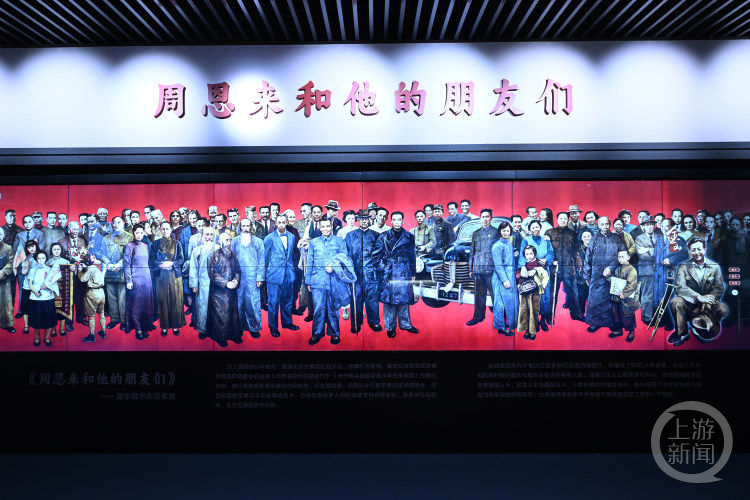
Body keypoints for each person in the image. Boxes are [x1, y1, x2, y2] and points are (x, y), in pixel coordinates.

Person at [669, 238, 728, 346]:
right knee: (675, 302)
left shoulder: (715, 267)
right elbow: (680, 287)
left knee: (722, 309)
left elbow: (718, 287)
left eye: (699, 249)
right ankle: (682, 333)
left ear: (705, 250)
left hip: (708, 302)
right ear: (689, 251)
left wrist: (709, 299)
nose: (697, 252)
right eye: (693, 250)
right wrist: (698, 297)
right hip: (690, 303)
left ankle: (704, 327)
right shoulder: (683, 267)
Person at [372, 212, 419, 338]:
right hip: (389, 272)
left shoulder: (409, 236)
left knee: (404, 300)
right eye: (394, 220)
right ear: (391, 221)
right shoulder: (383, 236)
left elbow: (412, 256)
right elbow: (375, 256)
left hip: (404, 271)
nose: (397, 222)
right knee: (389, 301)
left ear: (403, 221)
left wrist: (413, 272)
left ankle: (406, 325)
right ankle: (390, 327)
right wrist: (385, 267)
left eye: (399, 219)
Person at [306, 218, 352, 345]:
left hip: (334, 281)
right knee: (318, 308)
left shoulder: (340, 241)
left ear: (331, 227)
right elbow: (309, 262)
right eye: (323, 227)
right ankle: (317, 333)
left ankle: (334, 333)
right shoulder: (313, 242)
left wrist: (334, 267)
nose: (326, 229)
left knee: (333, 308)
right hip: (318, 280)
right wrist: (308, 281)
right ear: (320, 228)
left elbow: (345, 259)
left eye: (328, 226)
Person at [583, 217, 626, 334]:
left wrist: (611, 268)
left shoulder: (617, 238)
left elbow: (623, 255)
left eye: (607, 224)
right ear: (599, 225)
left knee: (613, 301)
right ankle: (595, 322)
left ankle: (615, 325)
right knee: (595, 299)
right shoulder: (594, 239)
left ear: (610, 224)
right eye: (602, 224)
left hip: (614, 273)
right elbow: (588, 258)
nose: (605, 227)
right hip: (596, 274)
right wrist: (586, 275)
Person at [345, 209, 382, 333]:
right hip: (356, 274)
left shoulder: (376, 235)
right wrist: (349, 272)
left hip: (372, 274)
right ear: (358, 220)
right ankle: (356, 323)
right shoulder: (350, 236)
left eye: (366, 219)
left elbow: (379, 255)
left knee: (372, 300)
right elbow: (346, 255)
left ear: (369, 220)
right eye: (361, 219)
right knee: (356, 299)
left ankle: (374, 322)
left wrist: (376, 270)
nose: (364, 221)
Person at [264, 214, 298, 337]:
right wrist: (265, 275)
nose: (282, 225)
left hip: (288, 275)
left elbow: (290, 256)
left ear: (287, 222)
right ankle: (273, 328)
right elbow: (265, 259)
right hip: (274, 276)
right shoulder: (269, 238)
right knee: (273, 303)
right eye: (279, 222)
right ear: (276, 223)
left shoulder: (292, 237)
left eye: (284, 222)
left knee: (287, 301)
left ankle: (287, 323)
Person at [150, 221, 186, 336]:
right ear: (160, 230)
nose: (165, 231)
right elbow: (152, 260)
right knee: (163, 301)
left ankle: (175, 326)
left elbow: (181, 259)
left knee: (175, 301)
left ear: (171, 230)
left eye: (167, 229)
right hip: (161, 276)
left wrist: (172, 263)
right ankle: (164, 327)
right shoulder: (155, 244)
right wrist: (161, 264)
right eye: (163, 229)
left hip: (174, 276)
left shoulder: (177, 244)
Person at [206, 232, 242, 347]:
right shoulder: (212, 256)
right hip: (218, 293)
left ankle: (234, 336)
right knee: (221, 316)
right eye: (226, 240)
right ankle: (220, 337)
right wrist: (226, 283)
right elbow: (212, 274)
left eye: (230, 240)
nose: (229, 243)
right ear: (219, 242)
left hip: (232, 290)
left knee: (233, 314)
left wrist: (236, 280)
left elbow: (238, 271)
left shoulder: (234, 255)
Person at [232, 219, 265, 338]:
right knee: (238, 302)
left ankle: (254, 327)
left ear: (251, 227)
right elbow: (231, 259)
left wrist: (260, 277)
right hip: (238, 277)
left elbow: (261, 260)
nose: (245, 228)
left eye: (248, 226)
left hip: (252, 277)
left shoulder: (258, 242)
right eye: (243, 226)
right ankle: (239, 327)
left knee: (253, 302)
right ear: (240, 227)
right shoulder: (234, 241)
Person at [546, 211, 582, 321]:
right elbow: (547, 250)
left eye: (565, 219)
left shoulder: (572, 233)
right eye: (561, 218)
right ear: (557, 220)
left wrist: (576, 264)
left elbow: (576, 250)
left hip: (568, 267)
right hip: (555, 268)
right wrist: (551, 261)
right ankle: (549, 316)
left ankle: (575, 314)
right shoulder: (550, 232)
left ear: (568, 220)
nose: (563, 220)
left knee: (573, 293)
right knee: (552, 293)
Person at [653, 218, 689, 331]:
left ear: (672, 227)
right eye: (663, 226)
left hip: (671, 271)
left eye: (667, 226)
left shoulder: (677, 239)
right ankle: (663, 320)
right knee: (659, 297)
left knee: (669, 296)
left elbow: (684, 254)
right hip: (658, 272)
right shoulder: (659, 239)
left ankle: (672, 322)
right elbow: (656, 255)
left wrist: (670, 260)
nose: (664, 228)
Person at [466, 209, 500, 327]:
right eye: (483, 217)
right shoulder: (476, 233)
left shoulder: (496, 232)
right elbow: (472, 251)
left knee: (495, 296)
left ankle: (499, 320)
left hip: (491, 269)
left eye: (487, 217)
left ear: (491, 218)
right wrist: (471, 268)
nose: (485, 219)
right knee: (479, 296)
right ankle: (478, 317)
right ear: (480, 218)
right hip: (478, 268)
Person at [519, 220, 554, 331]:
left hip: (543, 271)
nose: (535, 229)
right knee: (532, 296)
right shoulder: (526, 240)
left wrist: (546, 260)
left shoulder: (546, 239)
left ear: (540, 228)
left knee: (545, 296)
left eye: (537, 227)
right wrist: (523, 267)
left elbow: (551, 252)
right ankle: (533, 321)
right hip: (530, 271)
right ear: (530, 229)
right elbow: (522, 255)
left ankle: (543, 320)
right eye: (533, 227)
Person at [99, 217, 133, 330]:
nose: (116, 224)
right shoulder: (106, 238)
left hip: (122, 271)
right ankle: (114, 319)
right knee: (111, 297)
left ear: (123, 223)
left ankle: (124, 320)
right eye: (114, 222)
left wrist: (120, 264)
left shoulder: (129, 237)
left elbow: (131, 254)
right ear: (112, 224)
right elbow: (102, 254)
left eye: (119, 222)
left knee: (122, 298)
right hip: (109, 272)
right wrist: (108, 264)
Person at [122, 224, 154, 340]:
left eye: (141, 233)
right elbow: (126, 265)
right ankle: (138, 329)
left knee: (147, 305)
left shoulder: (145, 246)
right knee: (137, 305)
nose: (139, 235)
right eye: (137, 233)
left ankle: (145, 328)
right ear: (133, 233)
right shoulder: (129, 246)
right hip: (136, 279)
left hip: (147, 279)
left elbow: (148, 263)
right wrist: (129, 281)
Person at [189, 226, 218, 339]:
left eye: (211, 235)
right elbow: (193, 268)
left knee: (217, 307)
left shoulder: (219, 249)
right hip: (202, 284)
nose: (209, 237)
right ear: (203, 236)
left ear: (214, 236)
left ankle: (216, 331)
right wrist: (194, 284)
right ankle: (202, 329)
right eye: (207, 235)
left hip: (217, 284)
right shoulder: (197, 250)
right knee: (202, 306)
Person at [516, 245, 549, 341]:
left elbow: (544, 276)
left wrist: (536, 271)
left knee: (533, 310)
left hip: (535, 291)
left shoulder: (538, 263)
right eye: (527, 254)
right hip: (524, 291)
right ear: (524, 255)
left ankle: (533, 331)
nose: (529, 256)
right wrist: (521, 274)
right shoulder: (523, 264)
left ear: (534, 253)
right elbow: (517, 275)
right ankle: (526, 330)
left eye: (531, 253)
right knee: (524, 310)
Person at [491, 222, 517, 336]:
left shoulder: (509, 244)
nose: (506, 233)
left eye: (508, 230)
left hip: (510, 275)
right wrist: (504, 280)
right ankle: (500, 327)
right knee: (500, 303)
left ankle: (508, 324)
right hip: (500, 277)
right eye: (503, 230)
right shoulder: (497, 246)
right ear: (500, 231)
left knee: (509, 302)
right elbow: (498, 265)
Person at [27, 251, 58, 346]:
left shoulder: (50, 269)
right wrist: (35, 292)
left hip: (47, 297)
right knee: (36, 319)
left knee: (48, 319)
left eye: (43, 258)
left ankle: (46, 337)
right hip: (36, 298)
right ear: (36, 259)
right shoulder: (33, 270)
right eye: (39, 258)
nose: (41, 260)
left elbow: (54, 283)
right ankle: (37, 337)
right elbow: (30, 283)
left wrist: (47, 286)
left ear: (46, 259)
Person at [610, 250, 640, 342]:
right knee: (616, 313)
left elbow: (632, 284)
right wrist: (608, 277)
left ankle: (631, 331)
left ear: (628, 258)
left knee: (628, 315)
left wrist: (625, 293)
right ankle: (618, 330)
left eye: (622, 257)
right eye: (619, 257)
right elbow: (613, 280)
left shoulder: (631, 269)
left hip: (627, 298)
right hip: (616, 296)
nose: (620, 259)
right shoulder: (617, 268)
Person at [634, 216, 658, 325]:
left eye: (651, 224)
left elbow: (664, 252)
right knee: (647, 294)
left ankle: (656, 316)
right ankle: (647, 318)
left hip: (659, 270)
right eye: (647, 225)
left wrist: (648, 249)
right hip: (646, 270)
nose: (650, 226)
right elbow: (643, 256)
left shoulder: (659, 236)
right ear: (643, 226)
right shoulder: (639, 239)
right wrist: (656, 252)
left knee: (657, 294)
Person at [79, 255, 107, 343]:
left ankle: (92, 336)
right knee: (101, 313)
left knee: (91, 315)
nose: (90, 258)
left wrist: (80, 270)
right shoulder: (103, 265)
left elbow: (83, 279)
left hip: (92, 292)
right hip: (101, 292)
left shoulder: (91, 267)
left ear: (95, 257)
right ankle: (103, 332)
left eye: (91, 256)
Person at [47, 242, 72, 337]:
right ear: (51, 251)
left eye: (58, 249)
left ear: (61, 250)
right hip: (52, 289)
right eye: (54, 250)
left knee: (63, 308)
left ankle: (61, 328)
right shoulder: (48, 262)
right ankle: (53, 329)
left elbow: (70, 275)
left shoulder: (66, 262)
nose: (56, 251)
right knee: (53, 309)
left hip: (63, 289)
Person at [16, 239, 40, 332]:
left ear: (36, 246)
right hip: (27, 286)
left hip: (38, 285)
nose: (31, 249)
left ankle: (36, 323)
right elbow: (23, 272)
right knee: (26, 307)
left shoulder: (41, 256)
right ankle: (26, 325)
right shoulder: (25, 258)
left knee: (37, 306)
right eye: (29, 247)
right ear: (27, 249)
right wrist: (26, 266)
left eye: (33, 246)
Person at [573, 229, 593, 321]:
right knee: (581, 296)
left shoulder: (596, 247)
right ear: (581, 238)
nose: (587, 238)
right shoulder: (578, 249)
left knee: (592, 297)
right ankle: (579, 314)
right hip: (581, 276)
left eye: (589, 236)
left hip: (593, 275)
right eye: (584, 236)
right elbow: (577, 264)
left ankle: (592, 316)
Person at [0, 228, 15, 333]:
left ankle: (8, 324)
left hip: (4, 279)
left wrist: (3, 272)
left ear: (4, 235)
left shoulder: (8, 248)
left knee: (6, 302)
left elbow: (11, 261)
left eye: (1, 234)